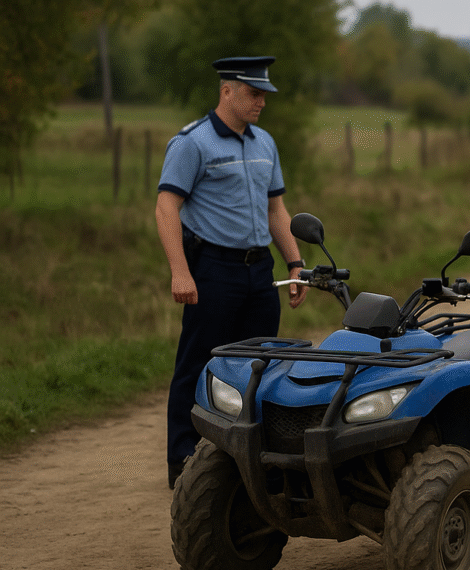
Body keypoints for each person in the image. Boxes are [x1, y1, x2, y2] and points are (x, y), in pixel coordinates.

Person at [155, 56, 308, 489]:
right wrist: (180, 272)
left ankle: (252, 458)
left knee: (261, 365)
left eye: (264, 95)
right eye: (254, 94)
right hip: (213, 270)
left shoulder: (265, 143)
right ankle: (184, 461)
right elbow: (166, 207)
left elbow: (276, 209)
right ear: (227, 91)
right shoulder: (192, 143)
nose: (262, 102)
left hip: (260, 272)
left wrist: (295, 263)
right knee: (199, 363)